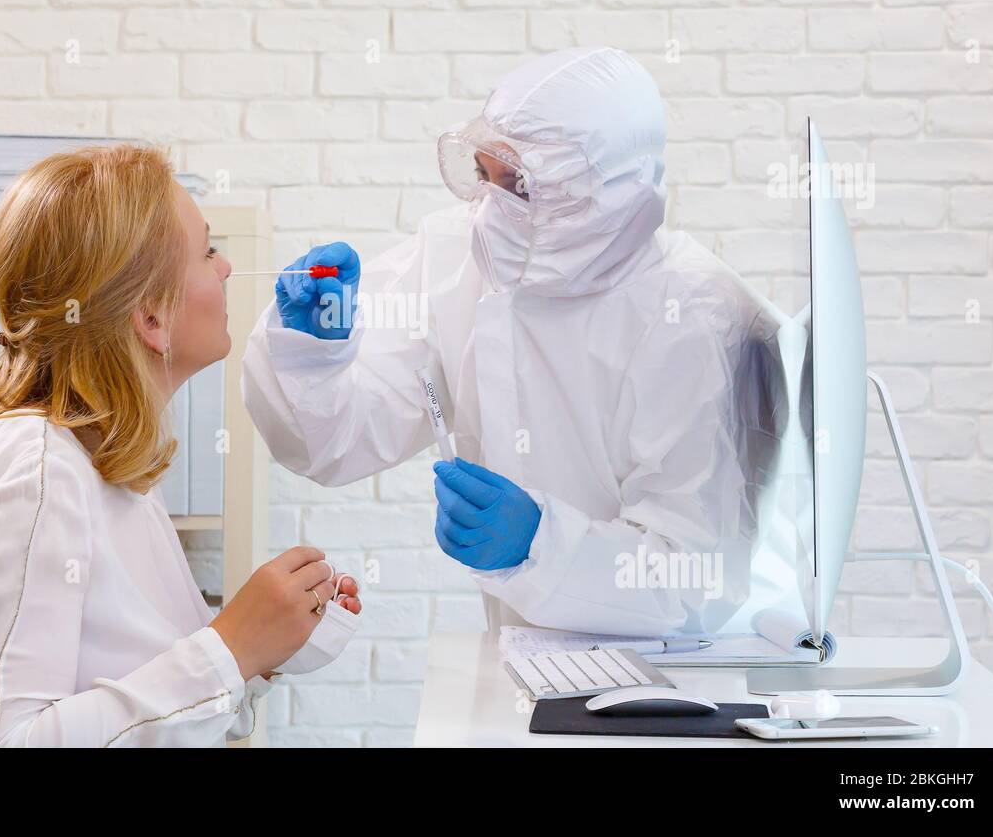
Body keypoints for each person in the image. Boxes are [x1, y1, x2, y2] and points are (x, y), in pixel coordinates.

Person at [243, 47, 771, 638]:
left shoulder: (693, 314)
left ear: (602, 186)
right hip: (526, 661)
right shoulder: (459, 254)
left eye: (517, 182)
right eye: (483, 175)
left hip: (681, 683)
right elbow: (336, 445)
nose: (491, 206)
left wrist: (540, 545)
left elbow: (693, 579)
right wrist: (314, 352)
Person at [0, 144, 359, 748]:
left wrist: (270, 641)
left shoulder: (107, 460)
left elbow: (140, 691)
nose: (224, 269)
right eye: (206, 252)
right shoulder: (38, 473)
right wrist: (233, 646)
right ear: (150, 316)